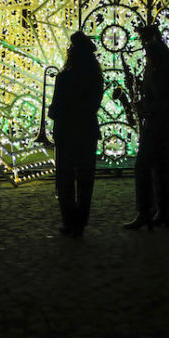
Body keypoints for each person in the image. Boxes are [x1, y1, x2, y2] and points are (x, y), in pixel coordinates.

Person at [47, 31, 104, 237]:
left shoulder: (65, 77)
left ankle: (68, 220)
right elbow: (94, 105)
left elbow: (54, 110)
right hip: (88, 131)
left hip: (66, 132)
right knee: (86, 179)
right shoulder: (96, 77)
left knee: (65, 178)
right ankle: (81, 221)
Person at [124, 24, 169, 230]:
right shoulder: (161, 56)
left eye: (142, 39)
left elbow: (160, 96)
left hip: (156, 123)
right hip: (162, 123)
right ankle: (163, 212)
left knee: (142, 166)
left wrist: (143, 107)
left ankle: (144, 212)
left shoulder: (157, 56)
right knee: (160, 168)